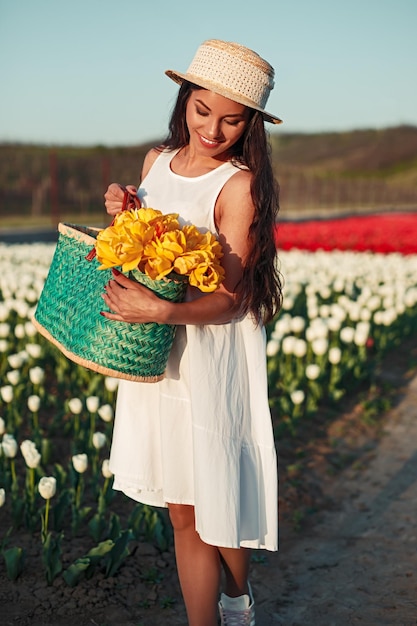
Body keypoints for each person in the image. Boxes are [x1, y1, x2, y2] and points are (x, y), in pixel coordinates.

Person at [102, 38, 283, 626]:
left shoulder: (239, 185)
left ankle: (237, 599)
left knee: (215, 502)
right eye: (202, 110)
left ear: (251, 123)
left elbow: (231, 298)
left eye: (232, 120)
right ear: (184, 99)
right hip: (158, 350)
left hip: (209, 351)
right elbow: (146, 248)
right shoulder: (156, 161)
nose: (213, 128)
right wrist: (124, 213)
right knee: (183, 509)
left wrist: (163, 312)